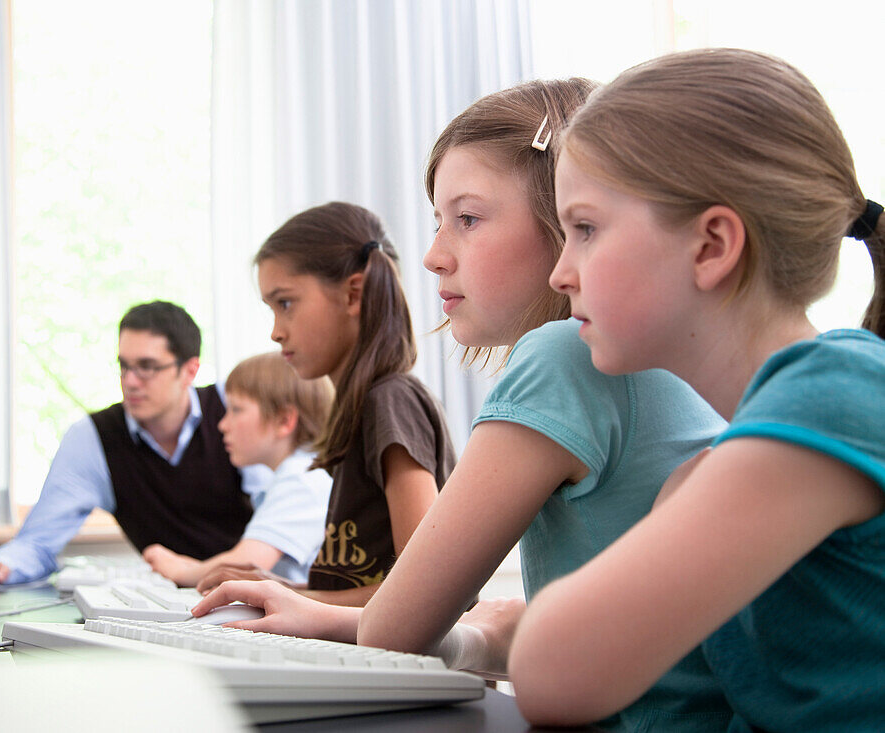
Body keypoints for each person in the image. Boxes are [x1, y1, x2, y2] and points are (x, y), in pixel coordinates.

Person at [196, 80, 734, 730]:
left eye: (468, 218)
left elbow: (397, 628)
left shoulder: (565, 358)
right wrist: (333, 614)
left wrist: (342, 616)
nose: (431, 255)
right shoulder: (658, 357)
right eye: (436, 221)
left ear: (565, 219)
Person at [505, 48, 885, 729]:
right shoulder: (715, 470)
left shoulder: (832, 397)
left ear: (712, 245)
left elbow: (553, 673)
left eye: (585, 228)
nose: (561, 272)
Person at [0, 301, 326, 585]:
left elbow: (258, 554)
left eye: (147, 367)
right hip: (186, 600)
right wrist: (0, 566)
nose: (130, 381)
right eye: (124, 366)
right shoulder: (93, 438)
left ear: (189, 370)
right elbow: (37, 541)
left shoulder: (238, 411)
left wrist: (188, 571)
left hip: (239, 595)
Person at [198, 202, 456, 607]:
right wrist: (281, 588)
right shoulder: (358, 408)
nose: (275, 332)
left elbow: (426, 593)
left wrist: (294, 599)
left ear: (353, 293)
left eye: (285, 303)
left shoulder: (391, 400)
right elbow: (357, 590)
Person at [142, 351, 335, 587]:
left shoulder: (302, 479)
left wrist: (180, 573)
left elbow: (246, 564)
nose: (222, 425)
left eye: (236, 409)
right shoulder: (297, 474)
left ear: (284, 420)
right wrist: (190, 566)